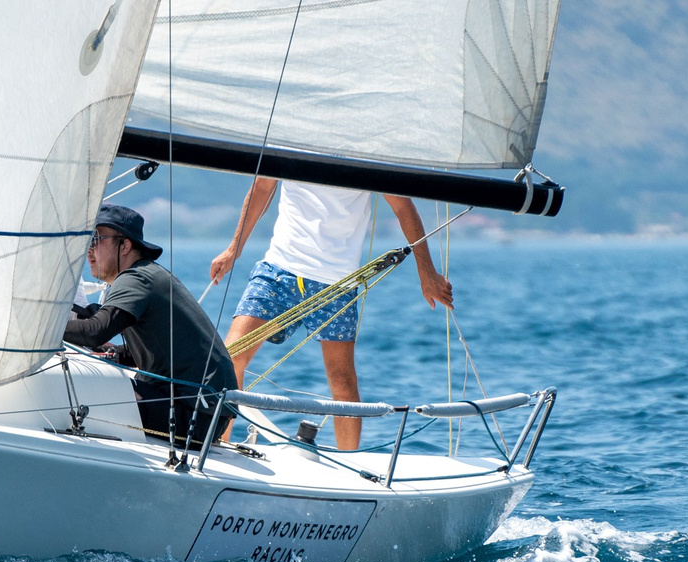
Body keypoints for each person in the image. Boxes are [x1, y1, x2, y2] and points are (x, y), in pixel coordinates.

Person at [209, 179, 453, 450]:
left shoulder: (368, 156)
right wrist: (233, 249)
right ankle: (216, 445)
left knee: (342, 381)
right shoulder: (291, 150)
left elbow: (403, 207)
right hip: (278, 270)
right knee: (230, 358)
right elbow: (261, 188)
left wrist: (426, 272)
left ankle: (350, 460)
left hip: (337, 284)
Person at [62, 203, 233, 448]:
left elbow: (94, 332)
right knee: (100, 382)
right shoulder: (146, 274)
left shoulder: (135, 279)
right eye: (87, 241)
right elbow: (147, 351)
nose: (88, 250)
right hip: (205, 412)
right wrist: (111, 353)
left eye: (96, 239)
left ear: (125, 246)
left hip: (193, 414)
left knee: (89, 386)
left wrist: (39, 329)